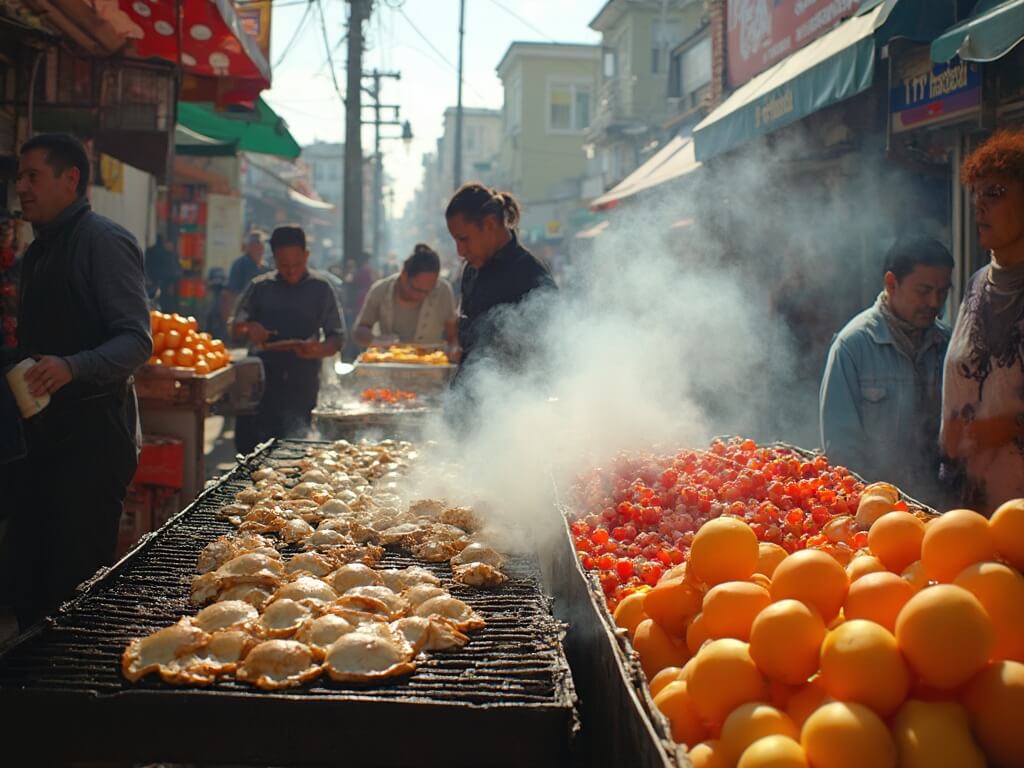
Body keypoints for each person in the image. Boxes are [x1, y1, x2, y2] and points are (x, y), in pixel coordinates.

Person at [1, 133, 151, 630]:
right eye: (19, 176)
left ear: (71, 179)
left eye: (32, 176)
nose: (21, 186)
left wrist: (73, 366)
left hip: (91, 446)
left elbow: (136, 340)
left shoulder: (103, 242)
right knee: (27, 583)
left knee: (74, 592)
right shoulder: (38, 250)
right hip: (40, 445)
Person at [819, 237, 953, 503]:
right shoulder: (852, 346)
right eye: (924, 290)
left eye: (943, 291)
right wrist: (869, 505)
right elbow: (842, 449)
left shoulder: (949, 343)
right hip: (876, 513)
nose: (934, 302)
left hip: (939, 509)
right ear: (891, 283)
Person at [941, 129, 1024, 515]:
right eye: (977, 193)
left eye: (995, 193)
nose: (979, 206)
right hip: (970, 510)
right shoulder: (976, 284)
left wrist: (1007, 426)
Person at [230, 225, 345, 453]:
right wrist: (250, 328)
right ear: (274, 260)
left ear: (307, 255)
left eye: (296, 265)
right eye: (284, 266)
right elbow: (235, 328)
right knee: (254, 453)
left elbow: (337, 337)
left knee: (296, 451)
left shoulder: (320, 288)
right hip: (262, 388)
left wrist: (317, 350)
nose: (291, 272)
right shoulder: (260, 287)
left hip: (303, 384)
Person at [444, 183, 556, 375]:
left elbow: (549, 355)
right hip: (466, 397)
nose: (460, 252)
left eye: (464, 239)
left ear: (490, 224)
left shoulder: (531, 277)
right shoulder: (471, 270)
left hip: (513, 400)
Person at [353, 243, 458, 349]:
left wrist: (453, 349)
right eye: (417, 290)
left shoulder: (443, 290)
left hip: (430, 362)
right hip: (390, 362)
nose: (422, 296)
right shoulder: (380, 290)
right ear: (404, 275)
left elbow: (452, 335)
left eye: (428, 291)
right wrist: (376, 341)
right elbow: (360, 330)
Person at [224, 230, 270, 324]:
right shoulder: (240, 264)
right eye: (254, 245)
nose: (258, 248)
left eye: (260, 245)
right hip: (243, 313)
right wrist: (230, 317)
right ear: (248, 247)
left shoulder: (266, 268)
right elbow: (231, 293)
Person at [144, 233, 181, 314]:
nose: (172, 247)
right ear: (166, 243)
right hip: (162, 285)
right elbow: (171, 272)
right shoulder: (166, 255)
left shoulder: (151, 251)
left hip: (153, 283)